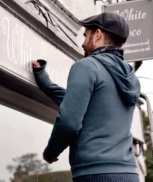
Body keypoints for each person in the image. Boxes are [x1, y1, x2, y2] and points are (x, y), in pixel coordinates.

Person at [32, 12, 141, 182]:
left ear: (97, 35)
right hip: (129, 174)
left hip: (95, 174)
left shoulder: (87, 66)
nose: (83, 43)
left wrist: (50, 152)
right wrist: (45, 82)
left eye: (85, 36)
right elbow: (83, 103)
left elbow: (69, 122)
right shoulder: (131, 78)